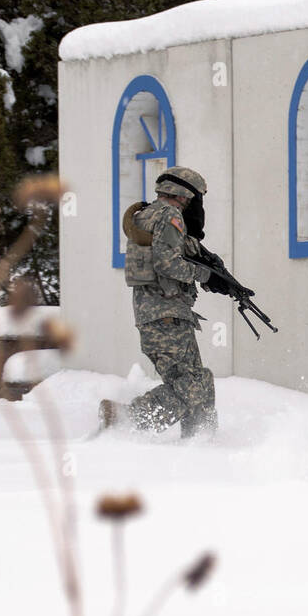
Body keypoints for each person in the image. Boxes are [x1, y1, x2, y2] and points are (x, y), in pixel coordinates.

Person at [99, 166, 227, 438]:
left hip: (158, 313)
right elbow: (167, 263)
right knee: (194, 383)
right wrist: (205, 275)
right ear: (184, 195)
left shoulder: (147, 214)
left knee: (198, 381)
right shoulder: (170, 215)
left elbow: (170, 256)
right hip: (166, 314)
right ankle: (127, 418)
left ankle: (202, 440)